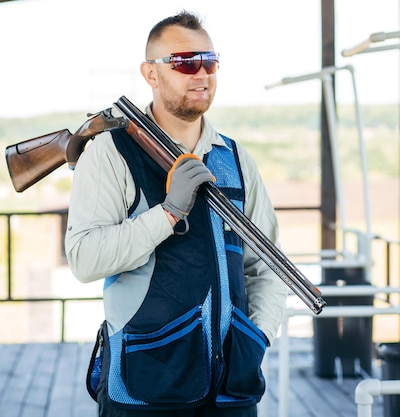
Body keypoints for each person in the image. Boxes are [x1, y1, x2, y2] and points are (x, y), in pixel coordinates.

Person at [65, 10, 288, 417]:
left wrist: (256, 338)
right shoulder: (111, 152)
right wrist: (168, 213)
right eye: (185, 62)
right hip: (144, 389)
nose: (201, 74)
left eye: (210, 61)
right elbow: (84, 258)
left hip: (231, 393)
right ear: (150, 74)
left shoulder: (234, 159)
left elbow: (269, 266)